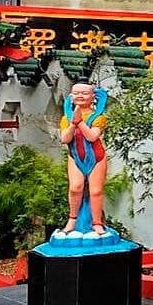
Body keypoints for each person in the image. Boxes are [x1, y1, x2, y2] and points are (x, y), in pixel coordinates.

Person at [59, 82, 109, 235]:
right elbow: (65, 139)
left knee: (96, 191)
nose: (80, 96)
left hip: (97, 158)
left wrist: (80, 122)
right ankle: (72, 219)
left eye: (85, 93)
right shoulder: (66, 117)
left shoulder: (98, 117)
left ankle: (97, 222)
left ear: (93, 97)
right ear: (71, 96)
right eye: (76, 93)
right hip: (75, 158)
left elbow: (92, 137)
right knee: (75, 188)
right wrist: (73, 123)